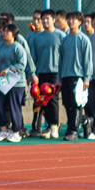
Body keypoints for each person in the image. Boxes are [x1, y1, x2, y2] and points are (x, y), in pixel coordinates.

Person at [0, 24, 30, 143]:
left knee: (14, 106)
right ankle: (3, 129)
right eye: (3, 31)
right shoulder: (1, 47)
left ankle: (17, 132)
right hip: (4, 81)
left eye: (7, 31)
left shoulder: (18, 47)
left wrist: (9, 69)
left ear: (14, 34)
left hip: (16, 81)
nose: (4, 33)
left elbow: (22, 65)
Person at [27, 9, 63, 137]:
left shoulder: (60, 36)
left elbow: (64, 56)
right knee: (42, 100)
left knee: (52, 98)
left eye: (48, 19)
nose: (45, 21)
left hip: (55, 73)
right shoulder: (37, 38)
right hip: (41, 73)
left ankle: (54, 125)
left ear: (54, 20)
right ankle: (49, 126)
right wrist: (32, 74)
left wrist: (61, 74)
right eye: (43, 19)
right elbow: (33, 58)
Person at [57, 11, 93, 141]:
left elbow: (88, 60)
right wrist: (59, 78)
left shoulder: (84, 39)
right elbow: (60, 60)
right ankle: (85, 121)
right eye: (69, 19)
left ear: (80, 22)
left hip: (78, 77)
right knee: (67, 104)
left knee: (76, 104)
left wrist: (87, 78)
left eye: (74, 19)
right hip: (65, 76)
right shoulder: (65, 40)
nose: (71, 21)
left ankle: (72, 130)